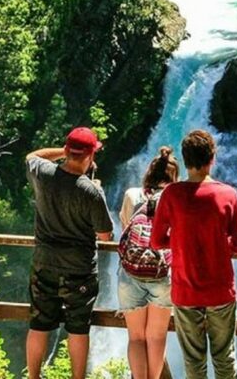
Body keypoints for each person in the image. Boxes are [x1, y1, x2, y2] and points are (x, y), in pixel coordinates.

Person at [151, 130, 237, 379]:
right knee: (225, 357)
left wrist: (183, 238)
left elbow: (156, 240)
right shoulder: (228, 194)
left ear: (185, 160)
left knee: (194, 361)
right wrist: (217, 242)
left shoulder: (171, 194)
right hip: (220, 289)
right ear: (212, 158)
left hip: (185, 290)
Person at [25, 127, 114, 379]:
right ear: (90, 156)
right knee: (78, 328)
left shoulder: (43, 174)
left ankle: (33, 377)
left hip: (44, 263)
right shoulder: (91, 191)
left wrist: (63, 151)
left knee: (39, 324)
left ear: (66, 151)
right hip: (79, 269)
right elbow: (105, 234)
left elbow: (32, 155)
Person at [118, 146, 179, 379]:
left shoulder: (132, 195)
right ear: (174, 177)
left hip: (131, 273)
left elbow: (125, 231)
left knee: (136, 337)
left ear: (149, 172)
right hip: (163, 273)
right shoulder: (176, 198)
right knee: (156, 337)